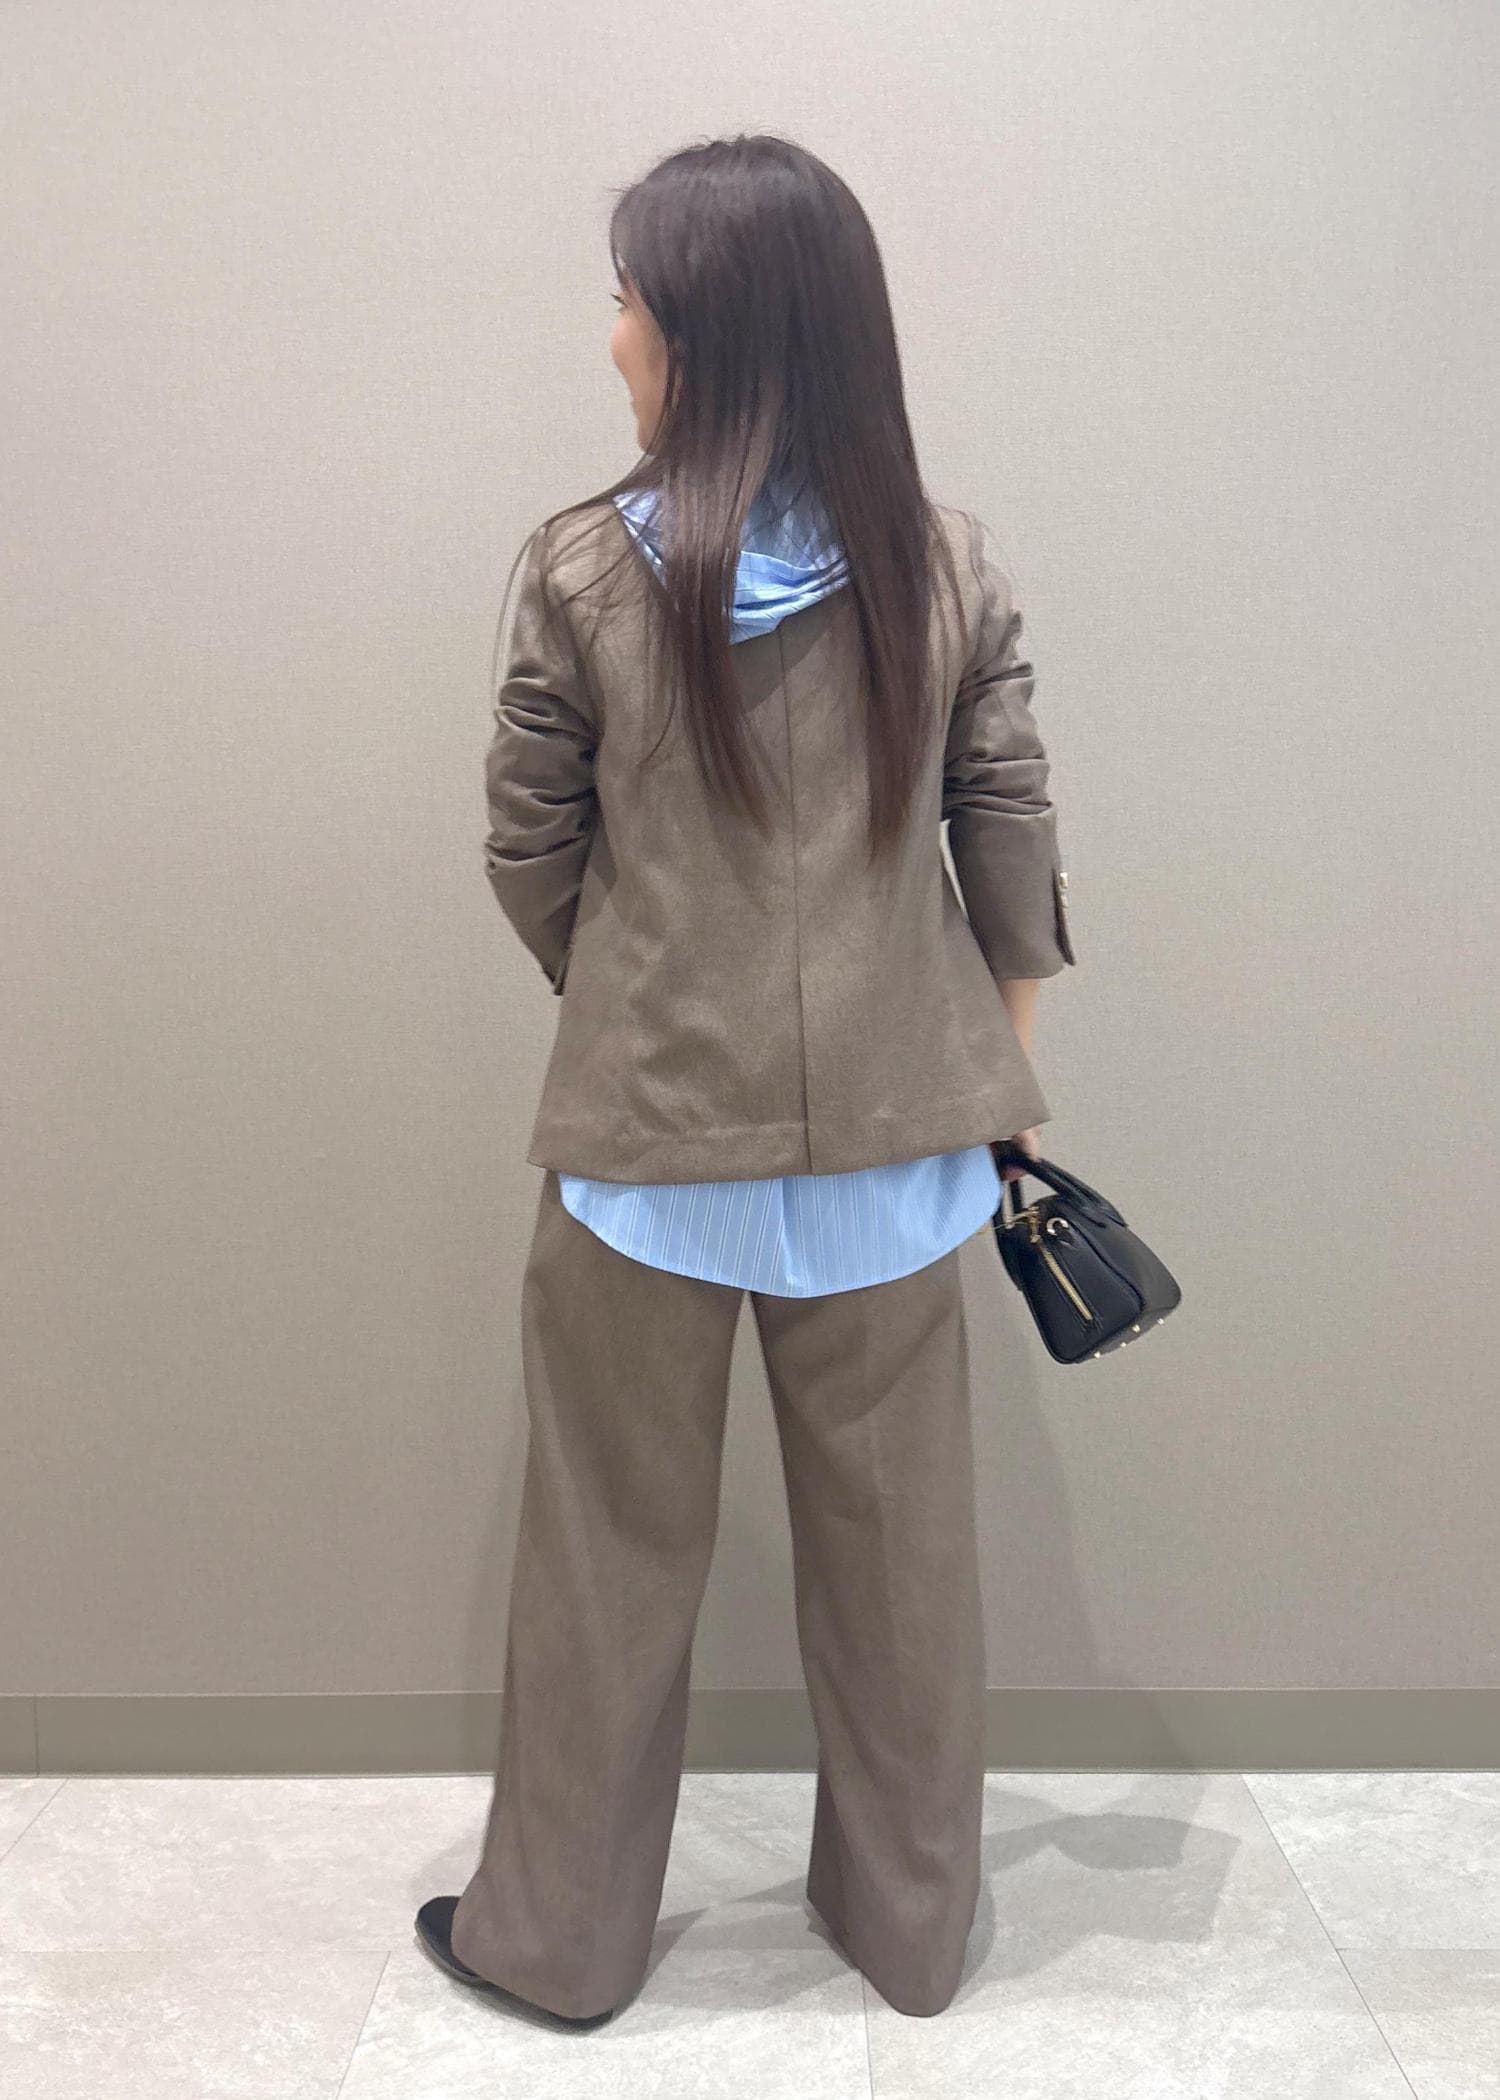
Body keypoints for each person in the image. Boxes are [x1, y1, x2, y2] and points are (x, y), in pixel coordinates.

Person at [415, 130, 1078, 2028]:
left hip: (647, 1145)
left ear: (701, 336)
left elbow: (528, 846)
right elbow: (1008, 829)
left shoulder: (578, 567)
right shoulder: (945, 561)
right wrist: (995, 1082)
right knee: (904, 1566)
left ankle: (558, 1945)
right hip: (897, 1137)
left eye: (627, 299)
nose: (610, 332)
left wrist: (638, 995)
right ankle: (911, 1934)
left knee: (605, 1557)